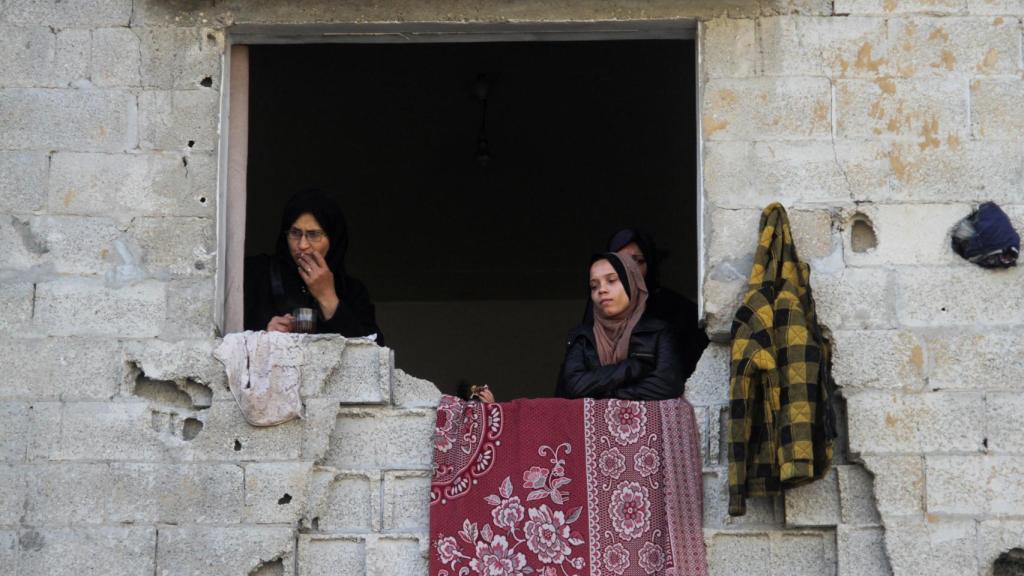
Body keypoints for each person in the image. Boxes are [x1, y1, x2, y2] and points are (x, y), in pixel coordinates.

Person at [244, 189, 384, 342]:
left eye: (314, 234)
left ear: (334, 240)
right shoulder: (257, 274)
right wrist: (263, 335)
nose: (302, 245)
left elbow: (373, 352)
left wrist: (328, 297)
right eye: (295, 233)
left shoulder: (351, 291)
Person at [556, 252, 684, 400]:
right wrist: (631, 368)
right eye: (594, 286)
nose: (601, 290)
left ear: (631, 283)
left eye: (611, 280)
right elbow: (574, 385)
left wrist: (612, 394)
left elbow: (667, 385)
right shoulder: (582, 336)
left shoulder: (658, 331)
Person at [606, 228, 708, 380]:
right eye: (620, 260)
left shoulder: (681, 312)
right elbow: (576, 382)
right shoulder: (599, 312)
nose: (629, 268)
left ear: (650, 266)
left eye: (638, 261)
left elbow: (672, 379)